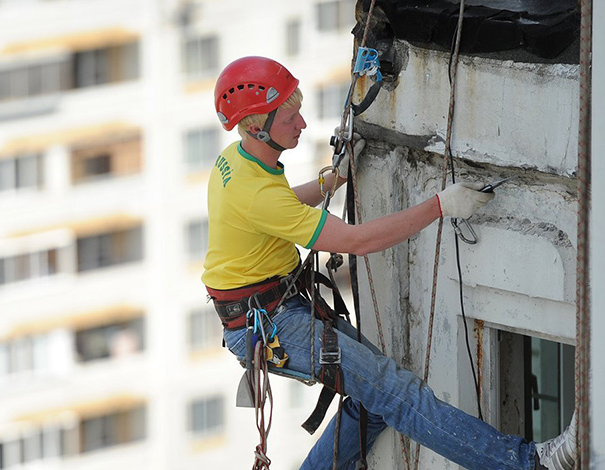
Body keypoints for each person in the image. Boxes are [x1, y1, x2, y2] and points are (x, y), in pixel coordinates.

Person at [202, 56, 578, 470]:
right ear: (256, 126)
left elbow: (280, 205)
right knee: (395, 392)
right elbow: (357, 241)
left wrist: (334, 179)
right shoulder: (256, 195)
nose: (303, 124)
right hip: (269, 321)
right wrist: (440, 206)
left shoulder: (236, 161)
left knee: (376, 400)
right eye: (290, 117)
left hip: (267, 310)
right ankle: (527, 463)